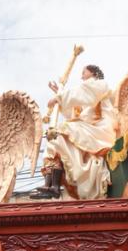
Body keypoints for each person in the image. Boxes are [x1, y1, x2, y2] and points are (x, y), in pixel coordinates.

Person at [32, 64, 116, 200]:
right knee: (54, 139)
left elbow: (82, 93)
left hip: (99, 129)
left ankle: (53, 184)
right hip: (86, 127)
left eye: (84, 72)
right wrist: (58, 95)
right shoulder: (87, 92)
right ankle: (51, 185)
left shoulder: (100, 85)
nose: (81, 75)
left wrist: (59, 98)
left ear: (93, 73)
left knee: (59, 131)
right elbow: (75, 113)